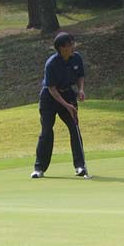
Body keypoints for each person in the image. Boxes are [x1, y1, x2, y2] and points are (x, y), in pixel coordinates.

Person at [32, 32, 89, 178]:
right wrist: (66, 106)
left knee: (74, 128)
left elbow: (80, 75)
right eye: (70, 44)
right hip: (49, 98)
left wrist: (81, 89)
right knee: (46, 131)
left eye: (72, 43)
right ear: (61, 48)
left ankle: (80, 167)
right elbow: (51, 89)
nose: (73, 47)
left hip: (68, 94)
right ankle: (39, 168)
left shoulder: (76, 58)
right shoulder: (51, 63)